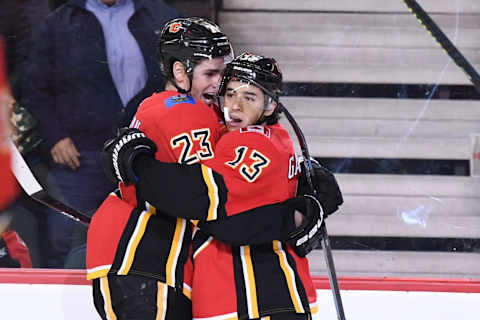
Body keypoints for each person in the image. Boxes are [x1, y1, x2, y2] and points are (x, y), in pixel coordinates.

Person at [87, 18, 339, 320]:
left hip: (159, 269)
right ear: (180, 72)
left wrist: (301, 192)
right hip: (148, 264)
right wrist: (301, 210)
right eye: (211, 73)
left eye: (224, 73)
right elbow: (203, 200)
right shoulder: (182, 110)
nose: (220, 84)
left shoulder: (209, 117)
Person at [21, 0, 179, 268]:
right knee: (68, 236)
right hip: (81, 155)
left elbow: (184, 76)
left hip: (143, 150)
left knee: (148, 233)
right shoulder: (60, 22)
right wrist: (55, 135)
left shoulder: (160, 16)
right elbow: (35, 88)